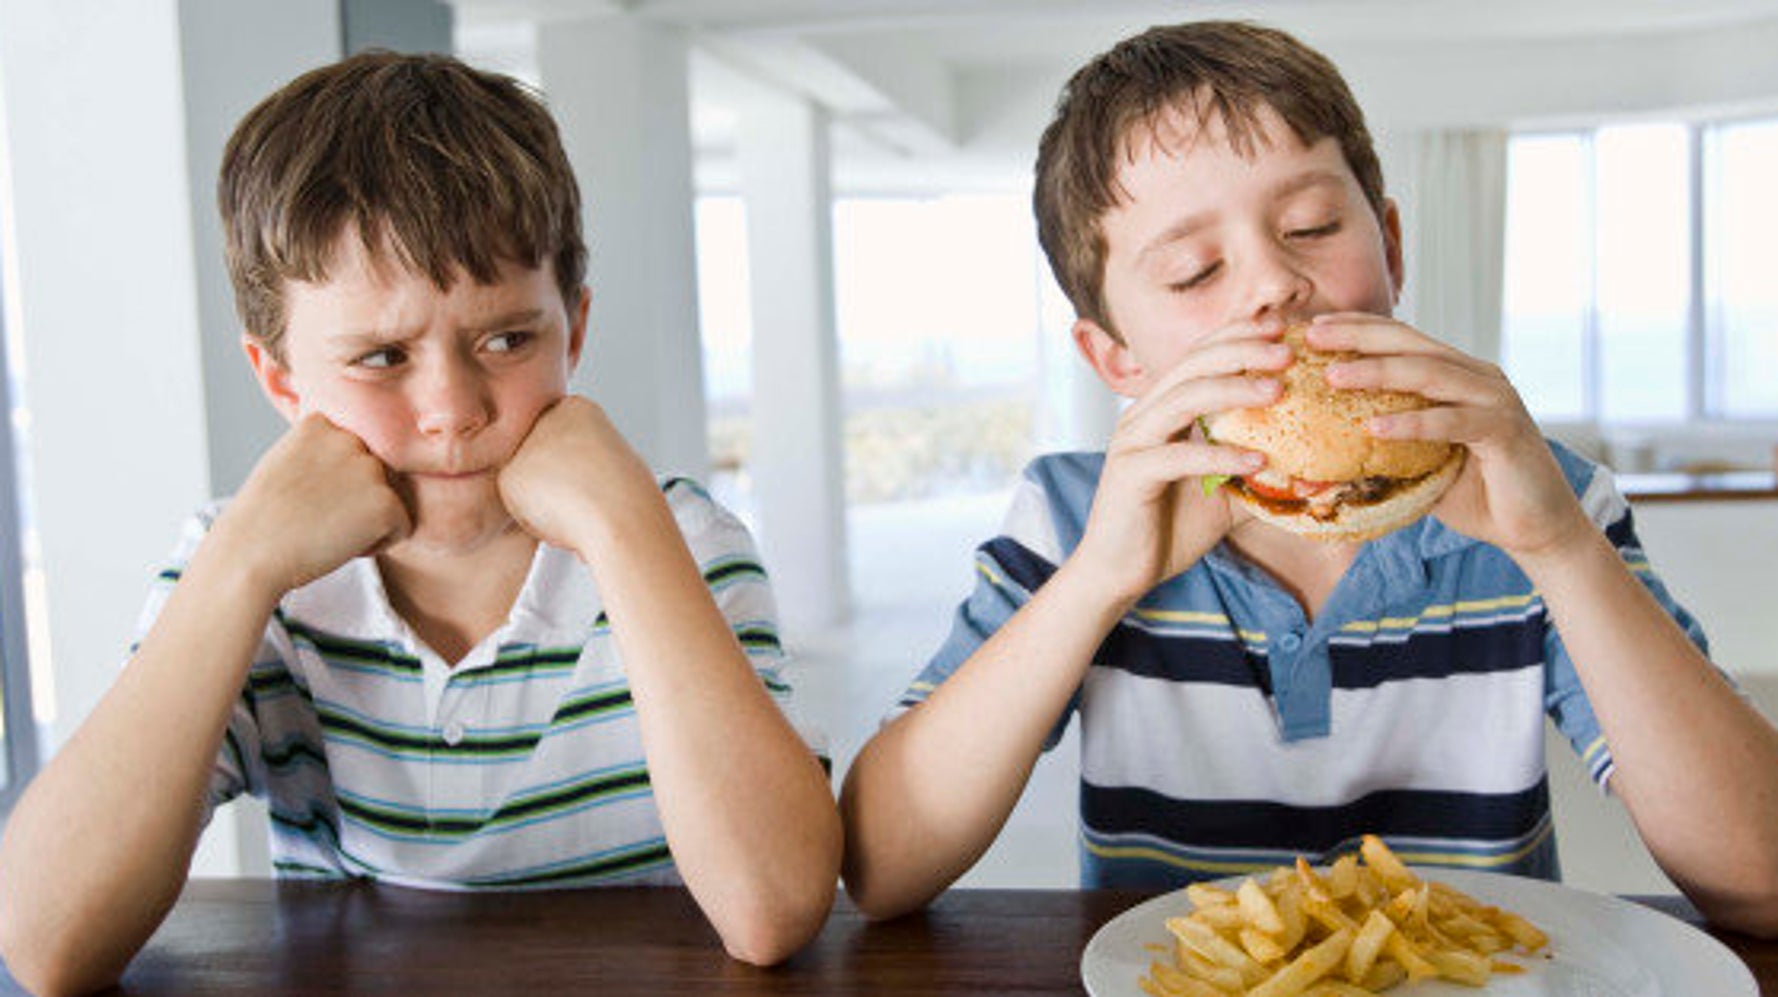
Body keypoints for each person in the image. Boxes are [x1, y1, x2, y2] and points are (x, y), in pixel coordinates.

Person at [838, 21, 1778, 936]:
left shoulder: (1544, 499)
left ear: (1393, 250)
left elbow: (1762, 879)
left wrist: (1562, 549)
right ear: (1115, 357)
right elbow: (880, 866)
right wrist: (1095, 583)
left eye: (1311, 225)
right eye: (1194, 268)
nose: (1271, 283)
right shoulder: (1070, 516)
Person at [0, 51, 840, 995]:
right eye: (381, 356)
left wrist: (624, 530)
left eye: (507, 339)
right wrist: (238, 569)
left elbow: (774, 910)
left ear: (576, 328)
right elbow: (47, 941)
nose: (451, 410)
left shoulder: (682, 544)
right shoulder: (246, 573)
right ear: (280, 377)